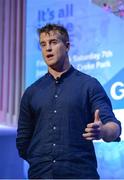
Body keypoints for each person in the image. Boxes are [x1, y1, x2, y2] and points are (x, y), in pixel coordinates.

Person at [16, 23, 121, 179]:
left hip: (80, 174)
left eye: (53, 42)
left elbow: (114, 127)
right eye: (43, 44)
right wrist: (39, 160)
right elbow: (23, 141)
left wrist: (103, 131)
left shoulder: (88, 85)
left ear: (67, 46)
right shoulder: (32, 92)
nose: (48, 48)